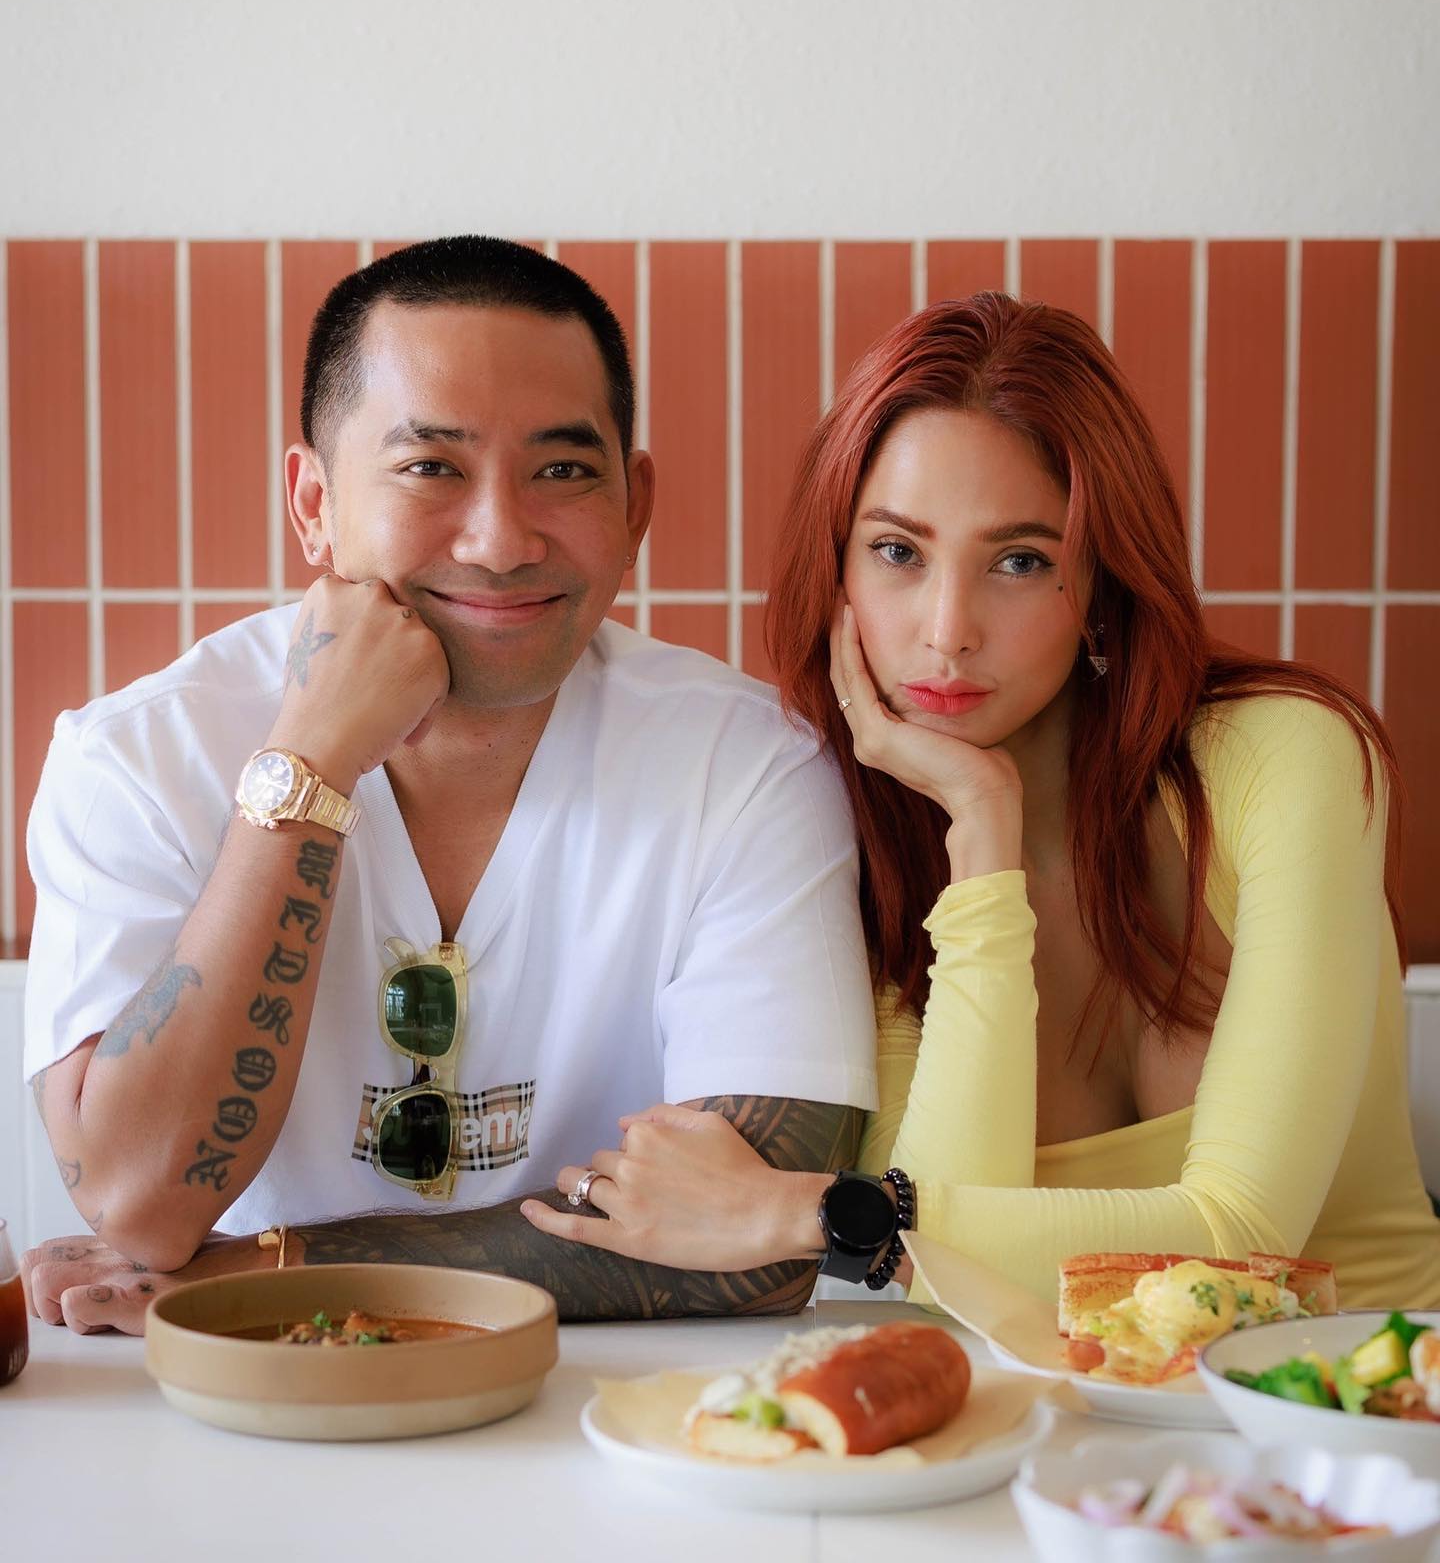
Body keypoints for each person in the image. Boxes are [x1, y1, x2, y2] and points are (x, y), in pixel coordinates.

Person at [22, 237, 876, 1335]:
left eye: (563, 471)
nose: (501, 540)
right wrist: (310, 766)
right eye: (431, 468)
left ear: (635, 506)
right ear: (314, 502)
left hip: (627, 1410)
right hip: (253, 1402)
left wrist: (272, 1271)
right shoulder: (137, 760)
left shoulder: (748, 764)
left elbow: (763, 1244)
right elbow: (140, 1204)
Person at [524, 292, 1440, 1310]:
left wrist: (805, 1212)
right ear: (837, 571)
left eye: (1020, 561)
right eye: (898, 552)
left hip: (1368, 1388)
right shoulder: (837, 829)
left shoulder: (1283, 757)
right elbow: (946, 1281)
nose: (948, 629)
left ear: (1103, 579)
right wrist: (984, 832)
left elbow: (1241, 1234)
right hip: (1039, 1401)